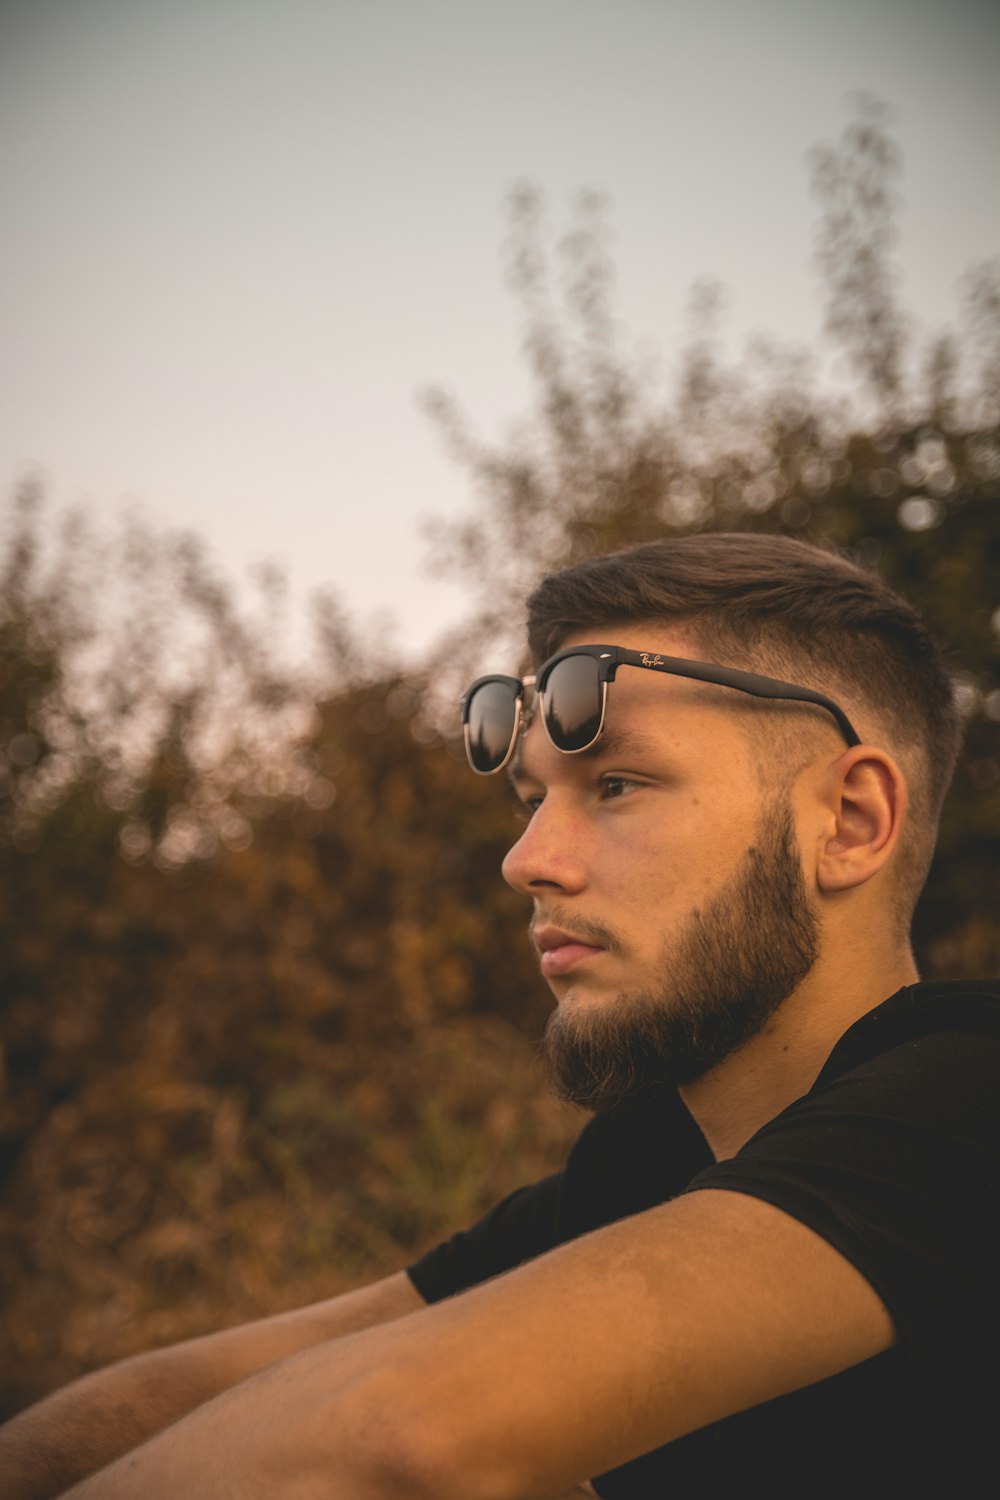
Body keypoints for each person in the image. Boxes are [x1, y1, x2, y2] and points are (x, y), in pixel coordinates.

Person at [1, 531, 997, 1499]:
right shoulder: (650, 1163)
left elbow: (395, 1433)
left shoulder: (967, 1104)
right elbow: (188, 1397)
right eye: (530, 797)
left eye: (616, 784)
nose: (527, 859)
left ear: (850, 822)